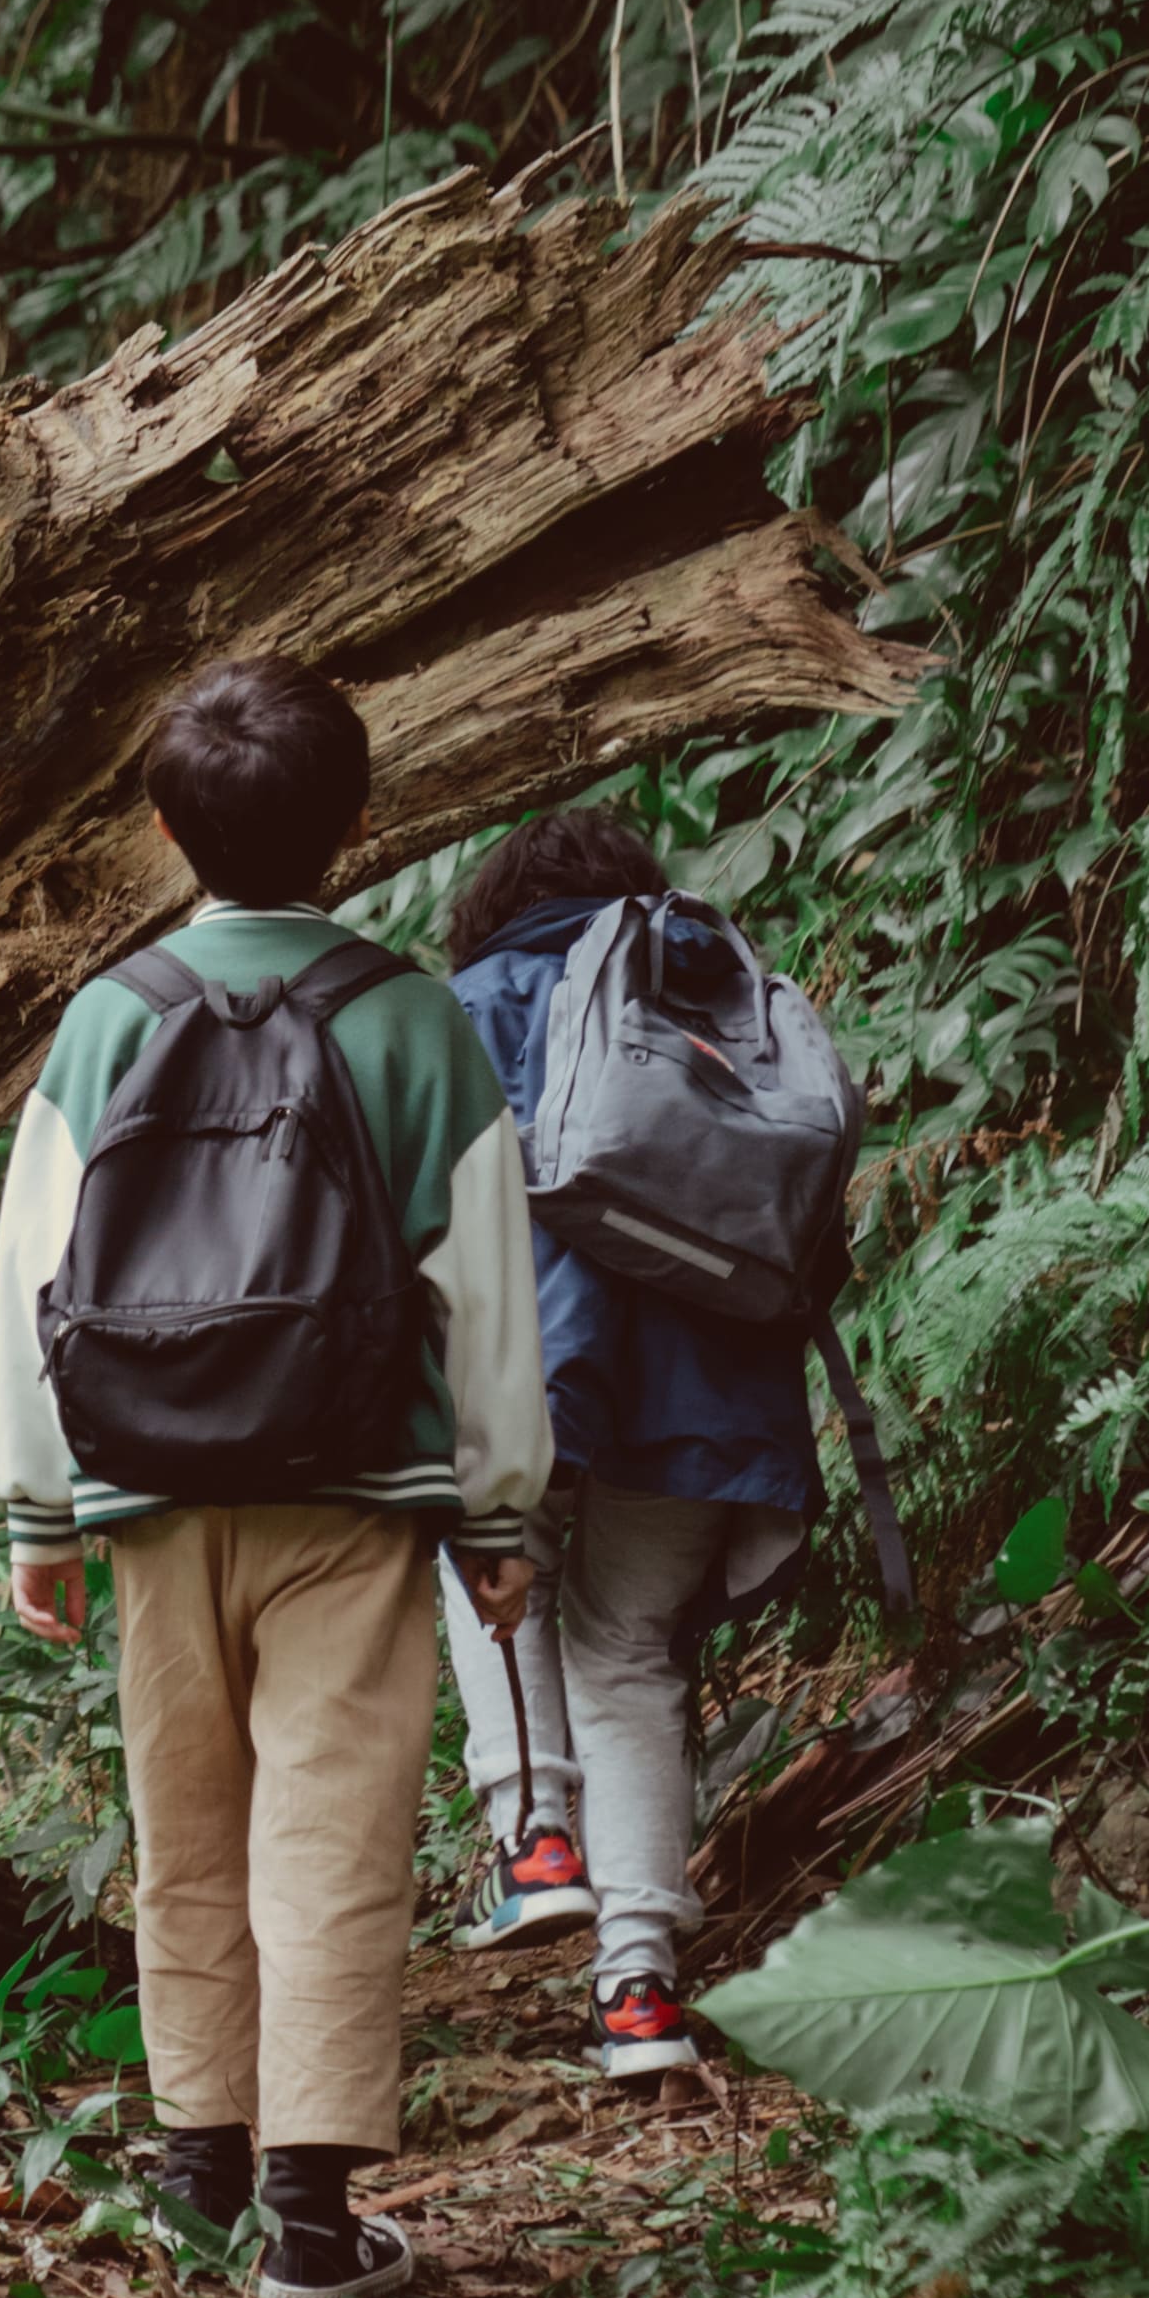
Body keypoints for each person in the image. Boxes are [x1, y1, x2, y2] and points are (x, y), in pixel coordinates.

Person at [0, 655, 548, 2298]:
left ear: (166, 829)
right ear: (362, 828)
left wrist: (36, 1508)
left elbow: (31, 1271)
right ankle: (309, 2220)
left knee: (189, 1836)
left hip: (153, 1496)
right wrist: (499, 1511)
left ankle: (192, 2178)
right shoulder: (410, 1021)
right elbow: (493, 1295)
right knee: (331, 1833)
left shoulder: (107, 1021)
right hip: (353, 1491)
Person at [426, 806, 817, 2079]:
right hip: (715, 1379)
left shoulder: (478, 1000)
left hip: (534, 1360)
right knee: (628, 1646)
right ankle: (640, 1989)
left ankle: (534, 1837)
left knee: (484, 1551)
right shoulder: (719, 984)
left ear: (489, 905)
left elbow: (433, 1208)